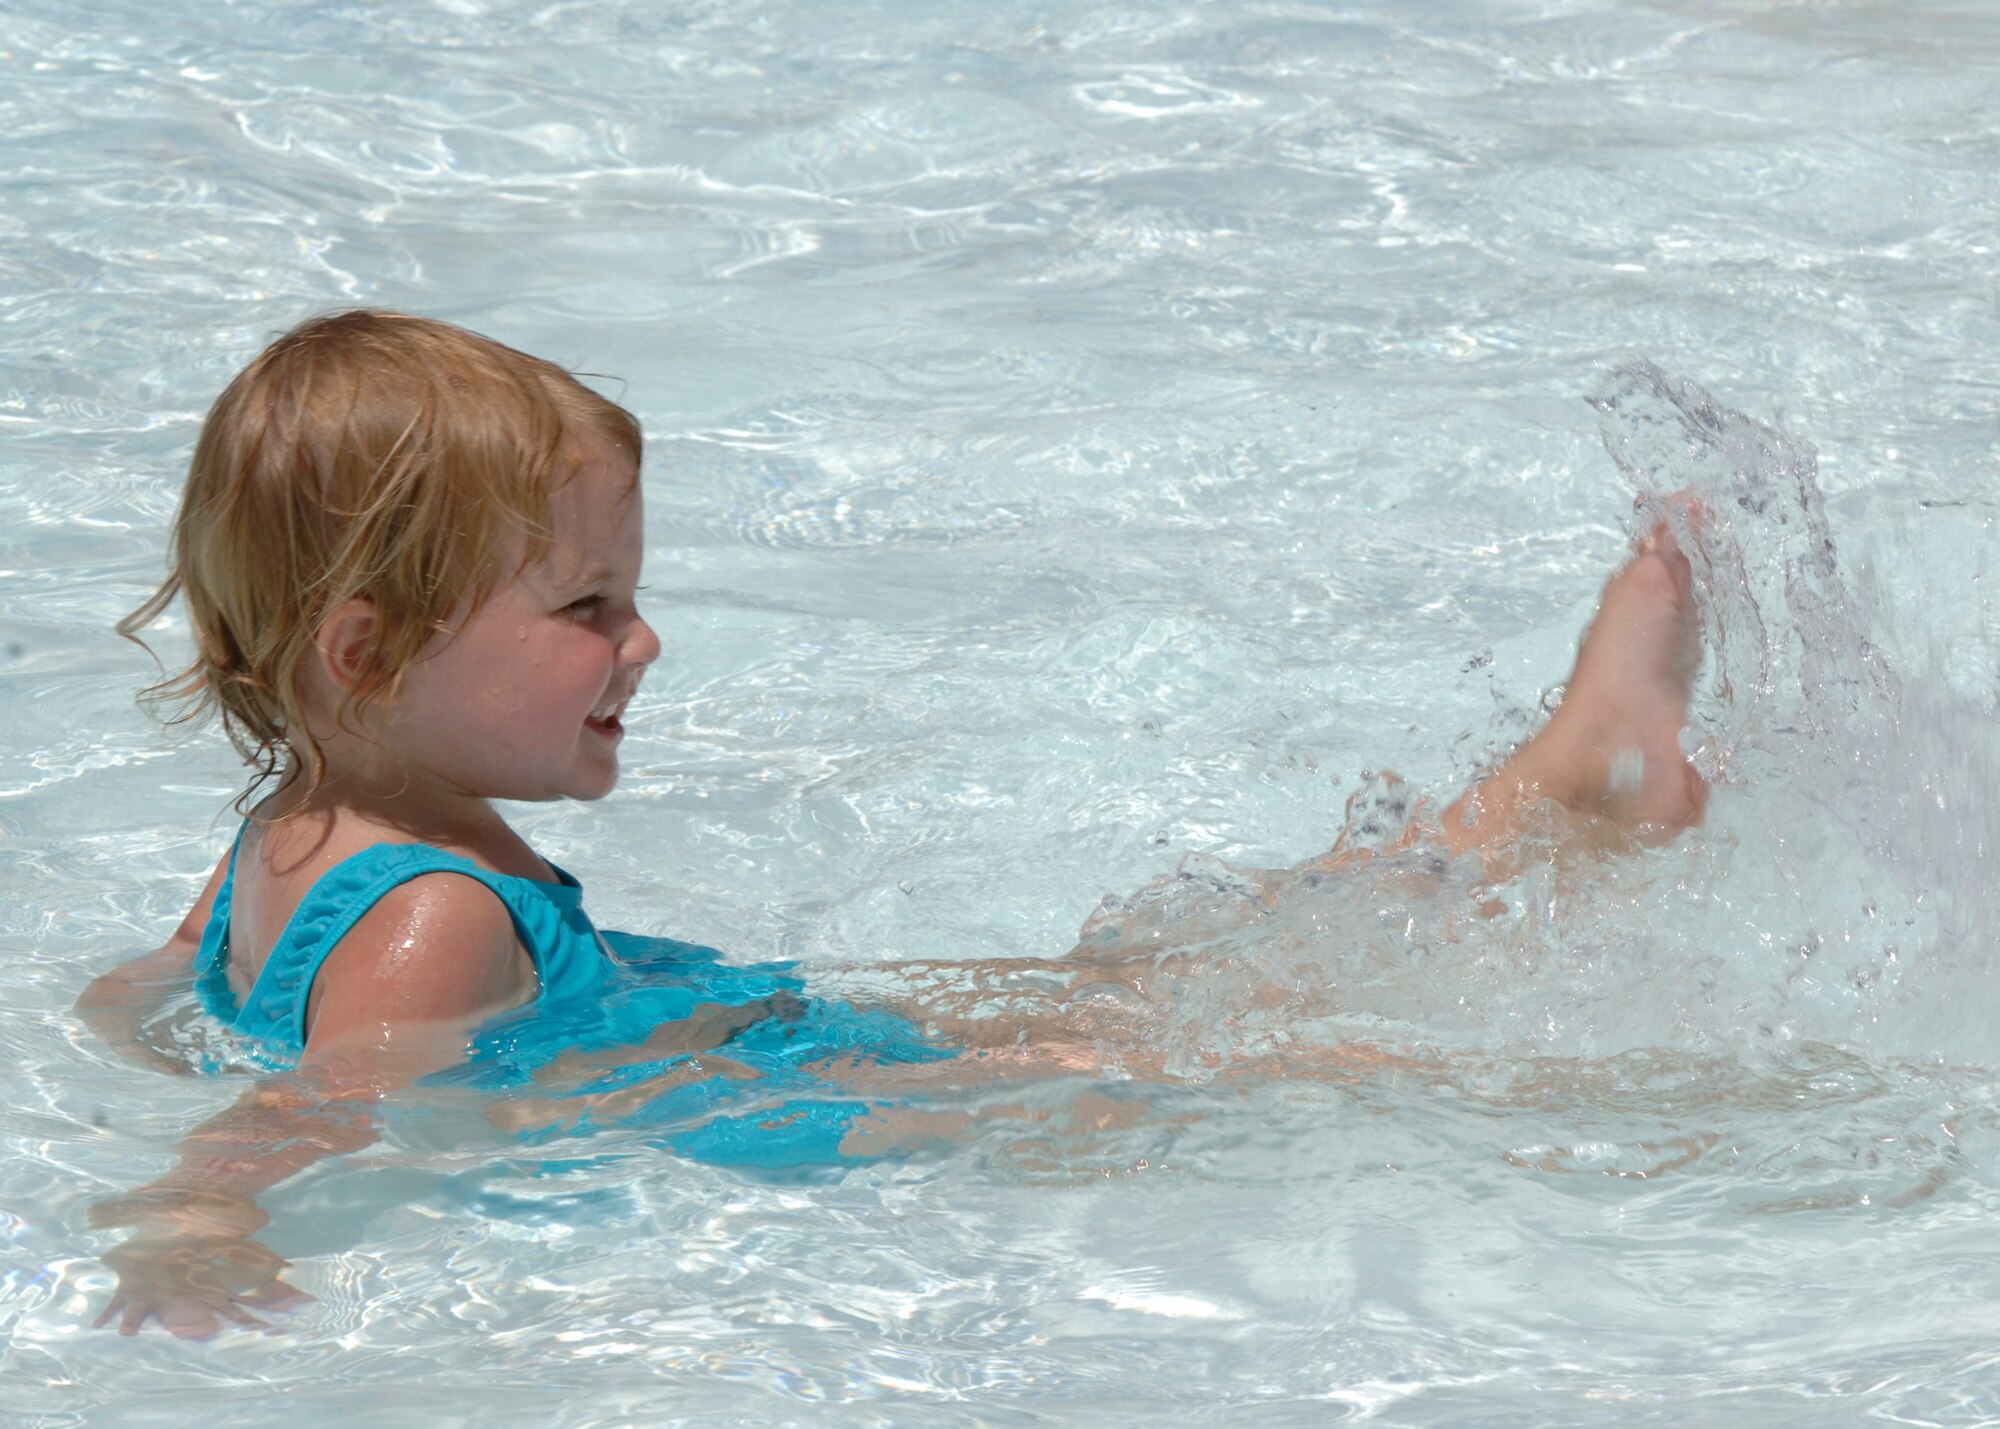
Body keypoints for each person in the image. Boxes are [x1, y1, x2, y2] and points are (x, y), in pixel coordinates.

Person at [75, 310, 1708, 1339]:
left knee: (1151, 985)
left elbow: (179, 985)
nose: (640, 642)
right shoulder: (434, 918)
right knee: (1212, 1046)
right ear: (367, 650)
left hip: (728, 1039)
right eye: (587, 605)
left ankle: (1564, 787)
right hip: (784, 1108)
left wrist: (127, 1030)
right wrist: (204, 1211)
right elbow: (315, 1106)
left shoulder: (284, 834)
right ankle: (1566, 849)